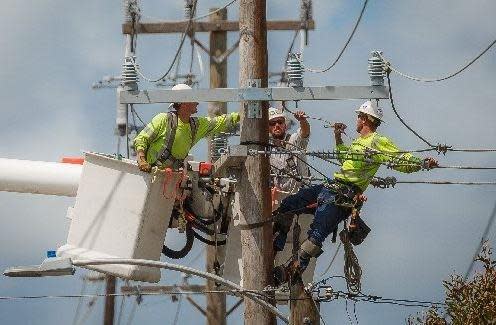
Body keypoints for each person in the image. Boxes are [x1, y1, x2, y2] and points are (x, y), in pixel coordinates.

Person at [272, 100, 438, 284]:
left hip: (343, 195)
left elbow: (398, 158)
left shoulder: (377, 141)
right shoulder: (359, 142)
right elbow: (345, 159)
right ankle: (275, 244)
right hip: (331, 187)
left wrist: (421, 163)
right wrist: (337, 136)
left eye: (359, 116)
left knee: (317, 233)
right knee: (289, 204)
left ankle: (292, 270)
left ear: (365, 119)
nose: (356, 120)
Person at [134, 83, 240, 171]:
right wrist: (141, 160)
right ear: (184, 103)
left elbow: (220, 122)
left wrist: (241, 115)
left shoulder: (197, 125)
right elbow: (141, 139)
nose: (197, 102)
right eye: (193, 99)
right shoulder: (163, 120)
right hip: (151, 174)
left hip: (170, 179)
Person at [268, 106, 310, 192]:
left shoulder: (293, 140)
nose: (277, 126)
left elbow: (304, 133)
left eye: (280, 122)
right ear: (268, 128)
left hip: (300, 194)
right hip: (280, 196)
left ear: (285, 125)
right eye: (272, 123)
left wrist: (302, 121)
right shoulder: (267, 149)